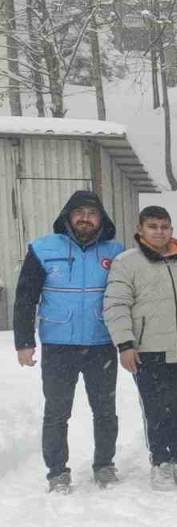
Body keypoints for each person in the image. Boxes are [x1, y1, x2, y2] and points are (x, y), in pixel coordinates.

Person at [13, 191, 125, 493]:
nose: (85, 218)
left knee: (105, 410)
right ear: (68, 216)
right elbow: (25, 297)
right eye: (79, 212)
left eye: (92, 212)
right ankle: (57, 473)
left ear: (101, 218)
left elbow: (129, 298)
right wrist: (24, 341)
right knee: (57, 412)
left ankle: (104, 465)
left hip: (101, 343)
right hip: (58, 346)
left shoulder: (116, 252)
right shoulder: (43, 249)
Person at [103, 205, 177, 491]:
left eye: (164, 226)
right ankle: (160, 463)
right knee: (155, 409)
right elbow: (116, 305)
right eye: (152, 226)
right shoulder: (126, 262)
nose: (159, 232)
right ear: (141, 230)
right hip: (147, 350)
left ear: (171, 230)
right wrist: (125, 344)